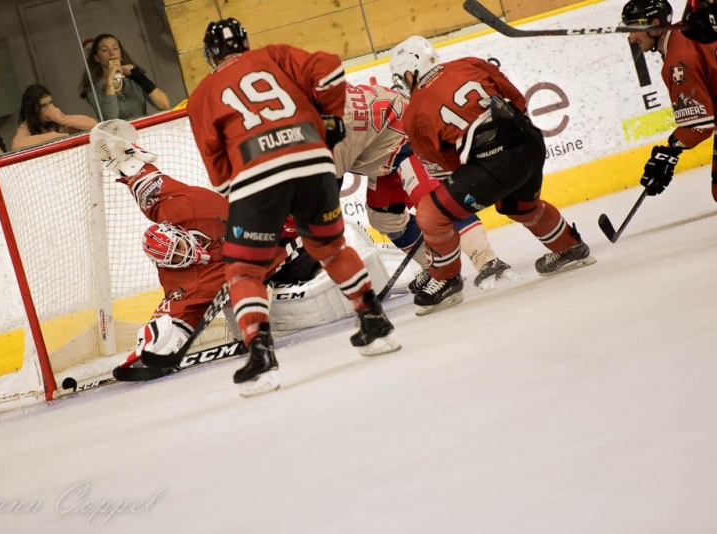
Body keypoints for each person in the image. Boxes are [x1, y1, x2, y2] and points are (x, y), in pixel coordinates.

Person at [187, 18, 401, 396]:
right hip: (314, 162)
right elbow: (331, 68)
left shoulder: (203, 93)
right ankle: (374, 323)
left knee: (243, 269)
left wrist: (244, 193)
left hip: (258, 175)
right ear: (245, 42)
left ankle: (261, 358)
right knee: (331, 248)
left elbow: (218, 172)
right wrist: (332, 117)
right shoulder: (276, 55)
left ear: (210, 55)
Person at [90, 119, 328, 377]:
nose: (184, 254)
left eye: (181, 247)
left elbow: (145, 180)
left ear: (180, 231)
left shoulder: (189, 207)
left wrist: (121, 153)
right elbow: (171, 317)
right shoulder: (181, 280)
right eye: (176, 257)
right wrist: (149, 348)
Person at [388, 36, 596, 313]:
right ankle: (570, 247)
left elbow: (448, 170)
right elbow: (516, 99)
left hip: (495, 162)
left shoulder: (414, 113)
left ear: (409, 72)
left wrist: (482, 176)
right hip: (530, 141)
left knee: (432, 213)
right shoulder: (468, 63)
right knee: (519, 205)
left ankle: (445, 280)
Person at [333, 83, 521, 303]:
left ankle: (488, 262)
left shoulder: (326, 125)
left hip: (408, 139)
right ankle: (435, 269)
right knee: (385, 220)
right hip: (383, 153)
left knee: (439, 203)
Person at [623, 0, 717, 204]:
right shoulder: (686, 34)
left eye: (634, 29)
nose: (631, 38)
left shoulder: (678, 60)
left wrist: (669, 152)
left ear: (655, 25)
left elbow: (699, 125)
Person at [79, 34, 170, 121]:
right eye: (104, 50)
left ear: (121, 53)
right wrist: (110, 79)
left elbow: (164, 105)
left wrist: (139, 77)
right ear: (96, 58)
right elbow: (111, 118)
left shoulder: (132, 77)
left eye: (115, 48)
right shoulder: (93, 89)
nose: (112, 53)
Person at [11, 84, 98, 150]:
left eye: (50, 103)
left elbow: (92, 124)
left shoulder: (59, 120)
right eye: (43, 106)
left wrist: (62, 118)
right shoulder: (27, 126)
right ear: (32, 109)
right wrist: (54, 136)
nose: (50, 109)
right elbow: (17, 145)